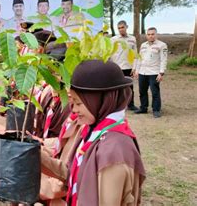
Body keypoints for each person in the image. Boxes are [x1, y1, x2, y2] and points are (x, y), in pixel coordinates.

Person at [41, 60, 146, 206]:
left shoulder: (114, 151)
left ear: (100, 101)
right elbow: (73, 173)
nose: (74, 110)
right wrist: (36, 154)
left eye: (78, 103)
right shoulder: (93, 130)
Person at [134, 27, 168, 118]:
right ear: (146, 35)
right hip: (143, 72)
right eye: (148, 34)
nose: (150, 36)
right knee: (142, 91)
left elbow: (163, 60)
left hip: (154, 73)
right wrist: (137, 70)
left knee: (155, 92)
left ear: (156, 35)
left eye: (152, 34)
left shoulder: (162, 45)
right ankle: (143, 108)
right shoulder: (143, 45)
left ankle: (156, 110)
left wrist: (161, 73)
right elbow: (139, 59)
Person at [110, 20, 139, 111]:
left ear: (126, 27)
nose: (121, 30)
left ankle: (131, 104)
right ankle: (117, 106)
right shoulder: (113, 39)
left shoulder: (132, 39)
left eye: (122, 27)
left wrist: (134, 68)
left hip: (128, 67)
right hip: (117, 67)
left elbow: (135, 54)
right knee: (117, 88)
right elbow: (110, 54)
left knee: (129, 87)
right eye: (119, 28)